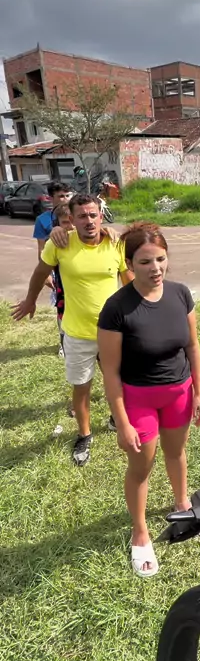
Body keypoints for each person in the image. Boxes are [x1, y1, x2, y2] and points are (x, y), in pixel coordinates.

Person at [97, 223, 200, 577]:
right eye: (145, 262)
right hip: (139, 399)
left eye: (160, 259)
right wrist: (122, 422)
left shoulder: (180, 294)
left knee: (176, 452)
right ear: (129, 264)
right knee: (141, 466)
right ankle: (140, 532)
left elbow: (193, 346)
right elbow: (110, 371)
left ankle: (183, 505)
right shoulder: (117, 308)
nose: (155, 268)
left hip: (179, 392)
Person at [11, 194, 133, 466]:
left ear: (101, 216)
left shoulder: (115, 243)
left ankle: (116, 419)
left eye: (93, 215)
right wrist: (30, 300)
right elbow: (40, 272)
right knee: (81, 387)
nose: (89, 221)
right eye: (82, 216)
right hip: (77, 333)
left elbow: (130, 282)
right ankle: (84, 435)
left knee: (118, 380)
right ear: (72, 219)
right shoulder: (60, 243)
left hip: (112, 332)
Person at [33, 181, 73, 356]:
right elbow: (41, 249)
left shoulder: (78, 212)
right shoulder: (42, 220)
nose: (65, 199)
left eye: (68, 195)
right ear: (51, 198)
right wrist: (46, 275)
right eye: (61, 196)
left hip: (78, 267)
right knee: (62, 307)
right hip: (58, 270)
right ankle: (64, 343)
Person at [49, 202, 75, 359]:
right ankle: (63, 343)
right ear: (56, 224)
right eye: (65, 222)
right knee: (63, 316)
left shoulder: (85, 237)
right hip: (63, 288)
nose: (70, 226)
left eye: (72, 221)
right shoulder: (57, 240)